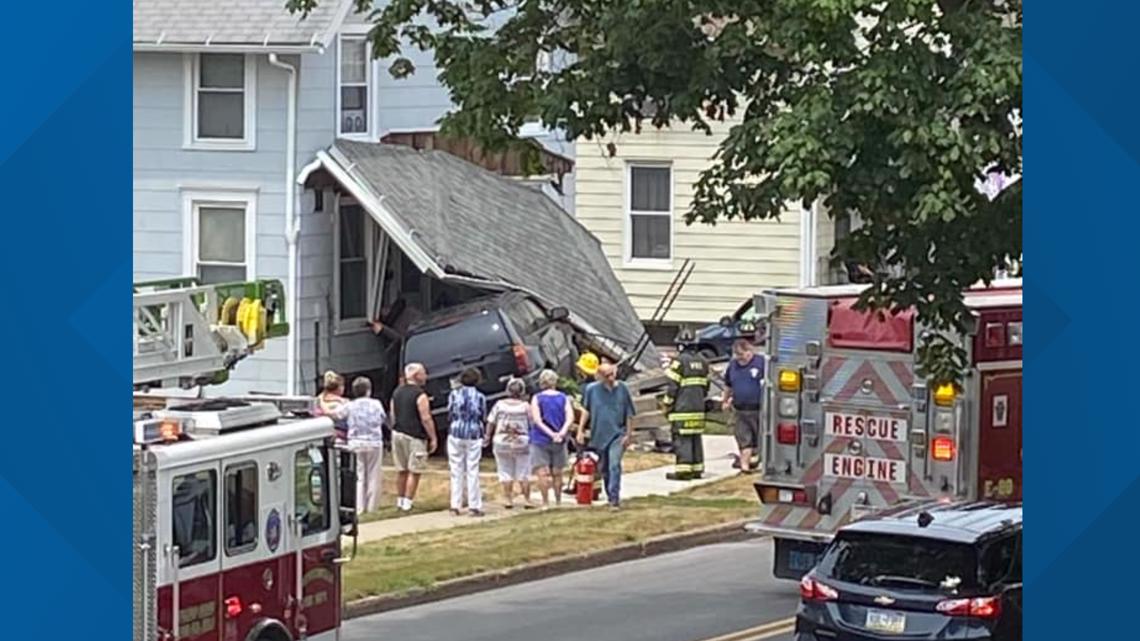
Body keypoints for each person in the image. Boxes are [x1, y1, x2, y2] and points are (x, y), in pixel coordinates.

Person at [579, 362, 636, 510]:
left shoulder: (622, 389)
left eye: (612, 374)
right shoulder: (592, 390)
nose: (611, 378)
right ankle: (610, 494)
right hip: (599, 435)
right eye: (607, 375)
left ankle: (614, 499)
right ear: (599, 376)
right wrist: (580, 430)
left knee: (614, 465)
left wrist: (628, 435)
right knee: (604, 468)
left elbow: (630, 414)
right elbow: (586, 411)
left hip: (618, 434)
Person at [389, 363, 439, 512]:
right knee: (414, 470)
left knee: (401, 469)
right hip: (414, 435)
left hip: (397, 433)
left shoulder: (397, 392)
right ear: (417, 376)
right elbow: (425, 417)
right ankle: (408, 502)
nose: (426, 376)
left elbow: (392, 413)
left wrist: (395, 427)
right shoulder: (420, 395)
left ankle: (400, 499)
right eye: (423, 373)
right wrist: (433, 437)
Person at [662, 330, 710, 481]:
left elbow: (672, 387)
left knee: (682, 439)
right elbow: (706, 387)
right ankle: (697, 468)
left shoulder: (679, 362)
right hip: (698, 408)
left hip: (682, 409)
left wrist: (667, 404)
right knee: (696, 438)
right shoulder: (703, 362)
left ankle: (683, 471)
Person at [486, 378, 535, 509]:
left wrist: (487, 436)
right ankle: (527, 500)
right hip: (522, 442)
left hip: (502, 441)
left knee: (504, 470)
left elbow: (491, 421)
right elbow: (532, 424)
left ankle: (508, 499)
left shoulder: (499, 405)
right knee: (524, 471)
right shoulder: (526, 406)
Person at [530, 369, 574, 508]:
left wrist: (550, 434)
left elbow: (537, 420)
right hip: (560, 440)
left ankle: (545, 503)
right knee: (557, 472)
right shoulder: (563, 398)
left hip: (540, 439)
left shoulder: (537, 398)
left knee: (542, 473)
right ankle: (558, 501)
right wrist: (561, 432)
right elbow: (570, 417)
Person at [447, 368, 487, 517]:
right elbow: (482, 415)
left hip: (456, 431)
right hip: (474, 433)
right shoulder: (480, 397)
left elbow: (450, 413)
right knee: (472, 468)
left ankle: (455, 505)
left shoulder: (454, 395)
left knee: (456, 469)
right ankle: (474, 505)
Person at [344, 376, 386, 514]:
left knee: (359, 476)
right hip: (374, 442)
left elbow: (338, 415)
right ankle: (372, 506)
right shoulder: (376, 404)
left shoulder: (350, 405)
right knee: (373, 475)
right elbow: (383, 417)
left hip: (355, 442)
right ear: (368, 390)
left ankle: (359, 507)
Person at [723, 339, 765, 474]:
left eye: (742, 354)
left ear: (749, 351)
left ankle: (760, 462)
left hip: (760, 409)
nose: (739, 358)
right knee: (744, 438)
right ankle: (744, 467)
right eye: (737, 355)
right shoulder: (733, 366)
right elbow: (728, 385)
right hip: (740, 409)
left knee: (760, 438)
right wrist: (725, 400)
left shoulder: (761, 363)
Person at [314, 370, 348, 441]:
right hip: (340, 435)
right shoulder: (343, 403)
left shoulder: (318, 400)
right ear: (339, 387)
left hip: (320, 434)